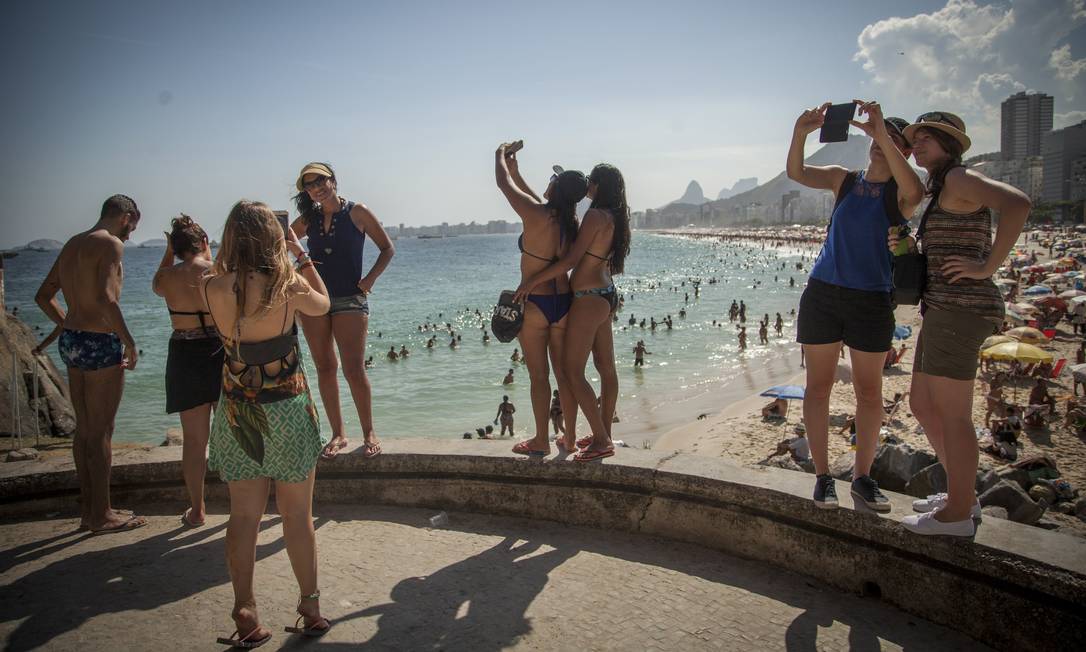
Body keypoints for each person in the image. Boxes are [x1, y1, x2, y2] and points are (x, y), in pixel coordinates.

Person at [896, 112, 1031, 536]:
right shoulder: (940, 188)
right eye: (915, 140)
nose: (918, 147)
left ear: (950, 145)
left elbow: (1018, 204)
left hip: (961, 308)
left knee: (953, 415)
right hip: (941, 308)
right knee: (921, 404)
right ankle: (963, 495)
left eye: (928, 140)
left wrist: (987, 266)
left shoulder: (958, 177)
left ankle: (957, 514)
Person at [204, 200, 332, 646]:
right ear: (272, 237)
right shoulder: (288, 284)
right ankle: (310, 607)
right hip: (290, 409)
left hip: (241, 414)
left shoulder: (213, 287)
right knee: (298, 515)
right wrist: (301, 253)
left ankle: (245, 608)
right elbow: (325, 304)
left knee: (243, 517)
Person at [787, 101, 924, 512]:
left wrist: (883, 133)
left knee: (869, 391)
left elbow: (916, 192)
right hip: (823, 294)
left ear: (905, 151)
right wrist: (800, 133)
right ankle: (823, 477)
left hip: (871, 300)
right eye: (881, 138)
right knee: (818, 387)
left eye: (896, 141)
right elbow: (797, 172)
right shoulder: (842, 180)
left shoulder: (901, 194)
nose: (882, 145)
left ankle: (863, 478)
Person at [34, 195, 146, 534]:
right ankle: (103, 515)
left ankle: (90, 510)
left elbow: (43, 295)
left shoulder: (73, 244)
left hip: (72, 341)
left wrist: (67, 322)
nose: (131, 234)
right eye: (133, 226)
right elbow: (105, 298)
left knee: (85, 429)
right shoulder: (110, 244)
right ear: (127, 216)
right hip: (99, 342)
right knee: (102, 431)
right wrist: (128, 341)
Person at [515, 164, 631, 462]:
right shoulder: (616, 216)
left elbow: (570, 260)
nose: (588, 186)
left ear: (599, 186)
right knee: (606, 367)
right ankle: (601, 430)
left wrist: (532, 281)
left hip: (589, 298)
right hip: (606, 294)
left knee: (571, 371)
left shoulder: (594, 216)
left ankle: (603, 440)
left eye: (592, 181)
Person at [291, 162, 394, 460]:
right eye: (309, 186)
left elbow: (387, 248)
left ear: (333, 180)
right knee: (325, 367)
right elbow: (281, 240)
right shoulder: (307, 219)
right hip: (314, 300)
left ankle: (369, 432)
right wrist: (295, 275)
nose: (316, 188)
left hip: (351, 298)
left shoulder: (357, 212)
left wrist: (370, 279)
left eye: (320, 181)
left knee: (353, 369)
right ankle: (338, 433)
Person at [496, 143, 586, 457]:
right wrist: (516, 169)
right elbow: (531, 194)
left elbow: (502, 184)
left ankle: (540, 440)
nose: (546, 183)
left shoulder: (536, 214)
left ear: (555, 188)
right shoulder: (570, 222)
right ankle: (570, 438)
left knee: (538, 376)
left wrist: (499, 156)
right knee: (563, 375)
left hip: (534, 304)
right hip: (563, 303)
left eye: (551, 180)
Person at [153, 214, 222, 527]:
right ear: (204, 243)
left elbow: (158, 282)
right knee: (234, 433)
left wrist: (170, 250)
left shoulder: (166, 278)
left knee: (194, 441)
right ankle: (247, 504)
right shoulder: (215, 271)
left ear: (175, 247)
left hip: (183, 354)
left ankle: (197, 509)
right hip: (219, 353)